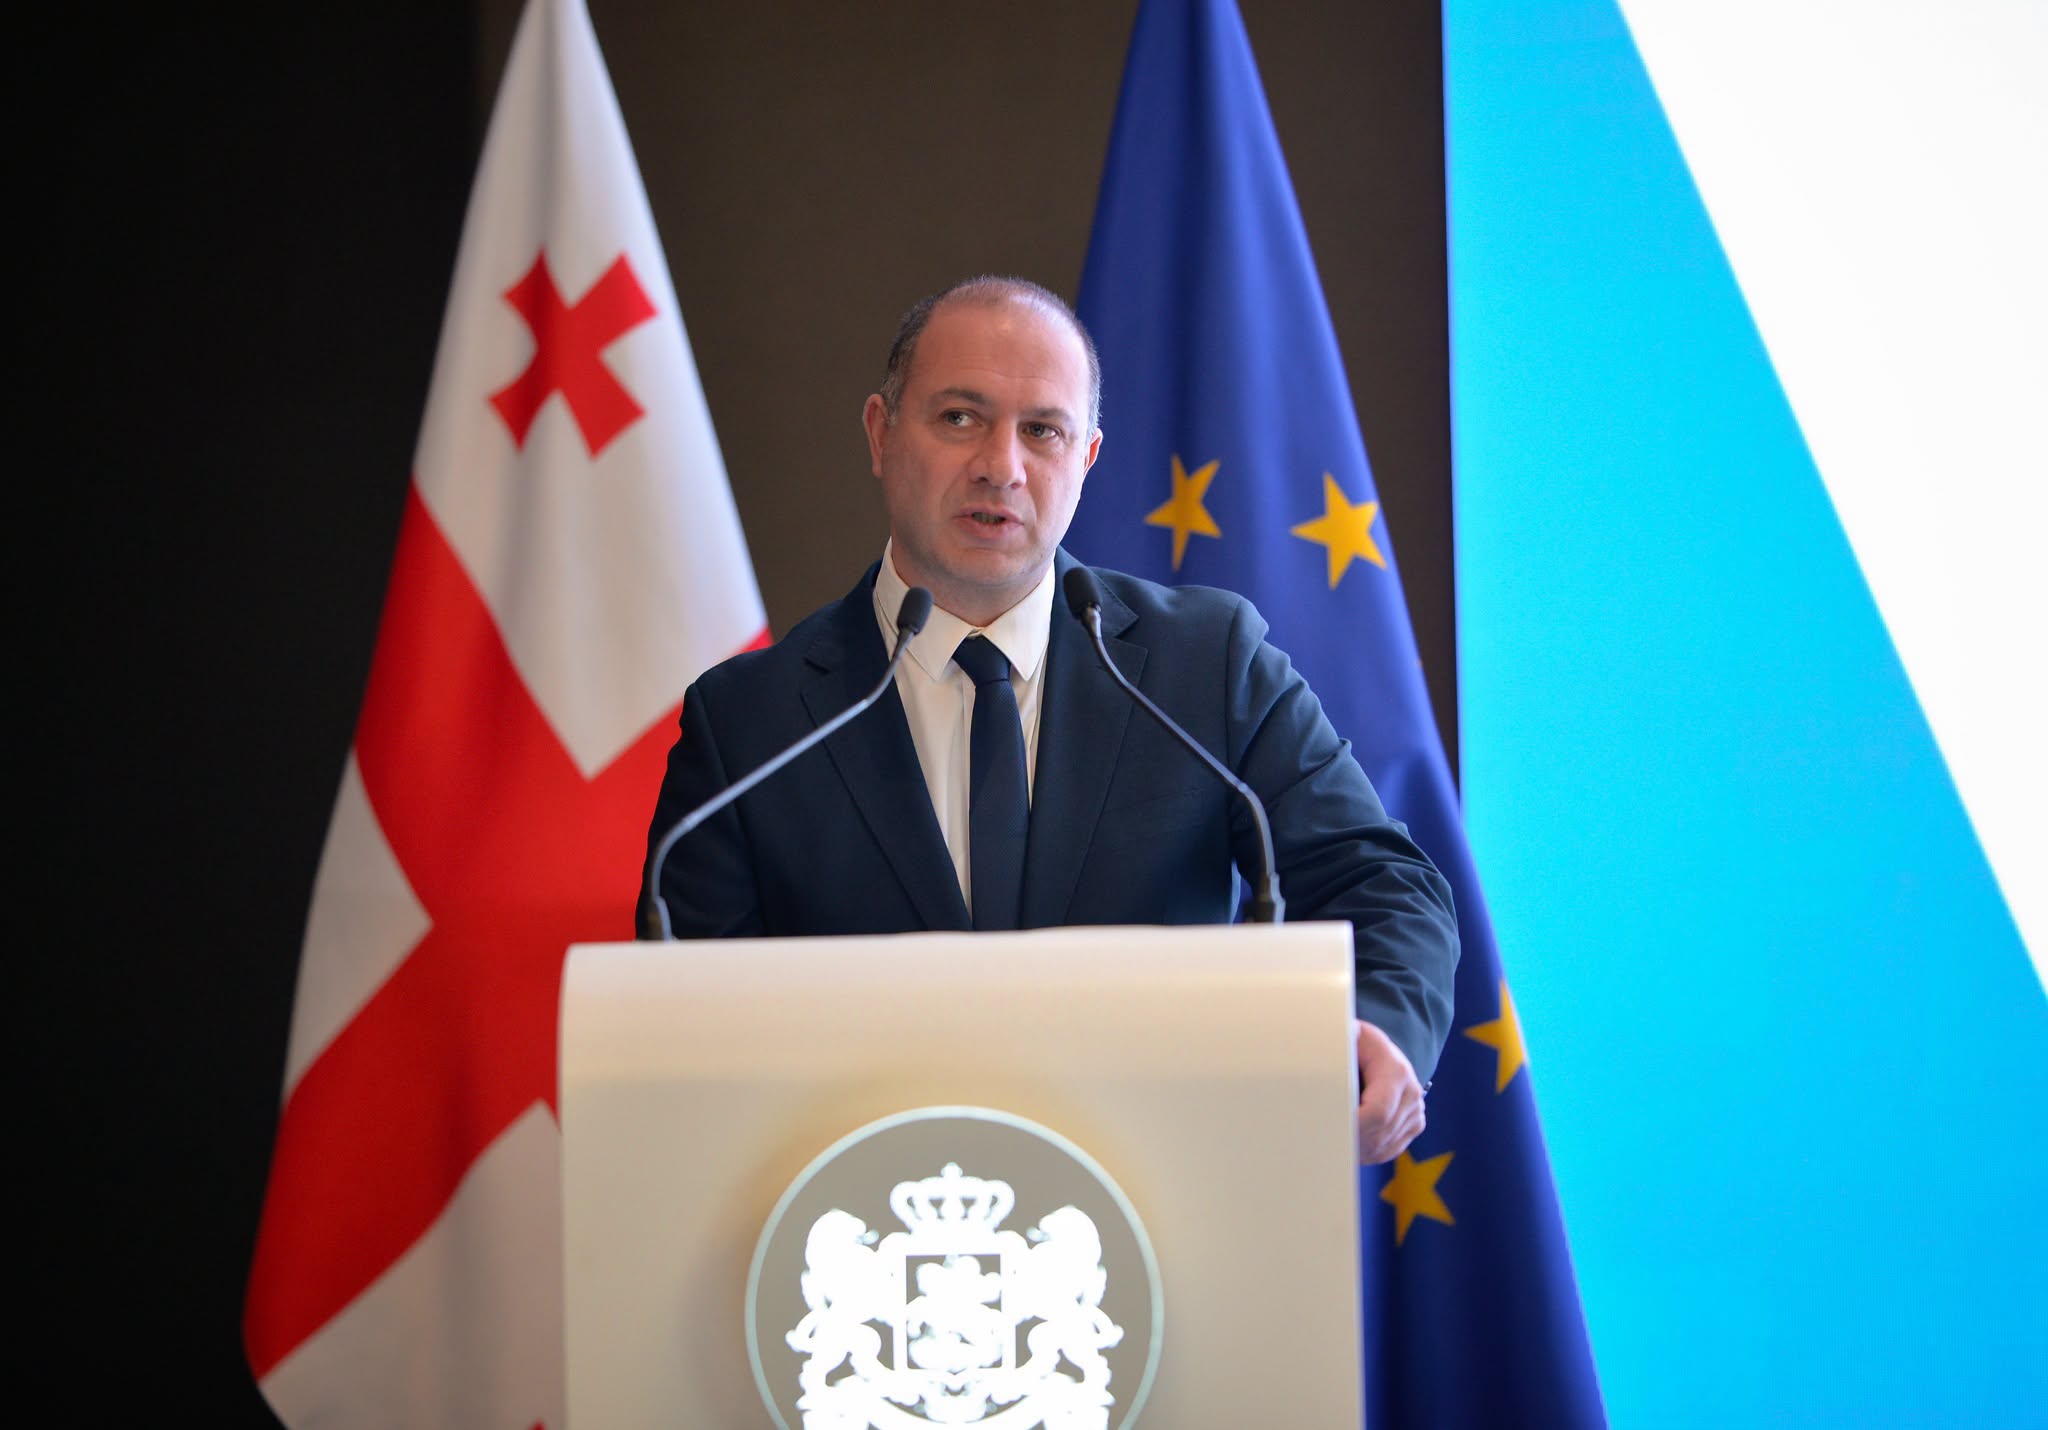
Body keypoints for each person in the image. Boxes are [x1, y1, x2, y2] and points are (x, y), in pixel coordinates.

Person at [644, 276, 1457, 1163]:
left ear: (1087, 458)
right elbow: (685, 1024)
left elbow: (1383, 883)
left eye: (1043, 430)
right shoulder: (750, 724)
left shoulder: (1204, 664)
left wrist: (1374, 1025)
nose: (1002, 466)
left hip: (1163, 1192)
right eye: (960, 417)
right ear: (880, 433)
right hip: (856, 1209)